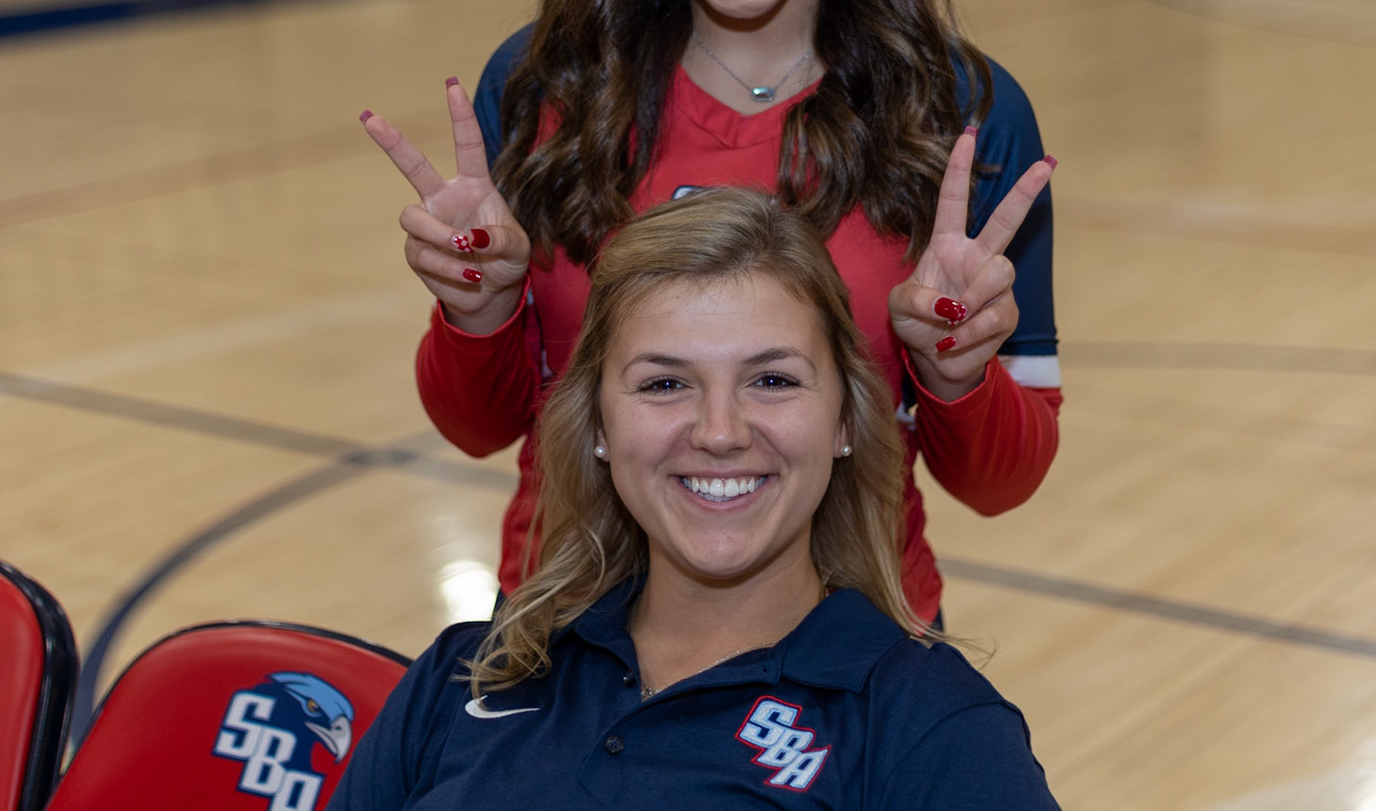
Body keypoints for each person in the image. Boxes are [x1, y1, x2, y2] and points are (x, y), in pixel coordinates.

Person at [361, 0, 1059, 625]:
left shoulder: (962, 112)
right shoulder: (541, 82)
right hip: (570, 651)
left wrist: (958, 375)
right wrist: (479, 311)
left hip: (850, 671)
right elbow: (479, 427)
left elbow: (1003, 482)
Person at [331, 190, 1060, 809]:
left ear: (844, 421)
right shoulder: (467, 673)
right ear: (598, 428)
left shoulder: (933, 729)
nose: (719, 433)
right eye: (663, 383)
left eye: (772, 380)